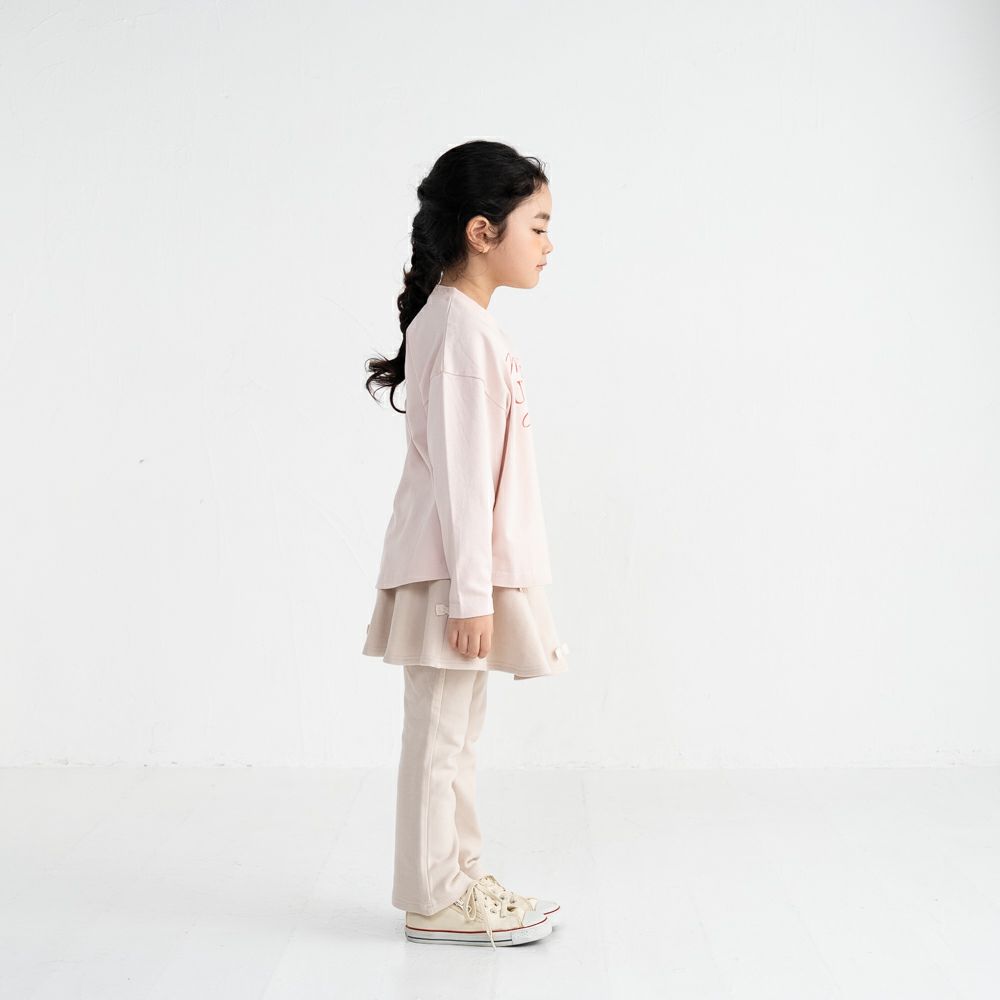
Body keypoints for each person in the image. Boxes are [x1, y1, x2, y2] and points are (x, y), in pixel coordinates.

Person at [361, 139, 569, 949]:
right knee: (442, 737)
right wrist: (471, 597)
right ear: (483, 231)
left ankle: (457, 878)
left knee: (455, 734)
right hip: (451, 575)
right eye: (538, 226)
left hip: (457, 572)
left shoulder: (465, 326)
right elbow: (461, 482)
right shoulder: (458, 332)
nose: (549, 245)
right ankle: (435, 895)